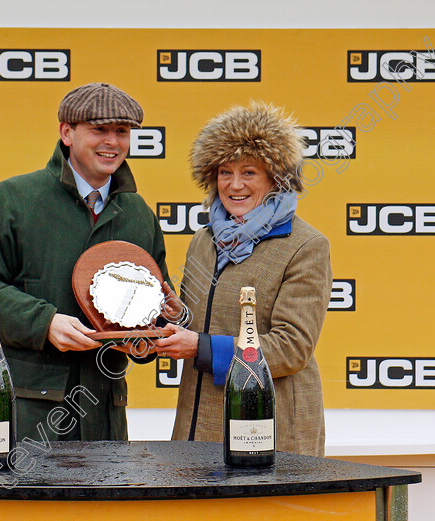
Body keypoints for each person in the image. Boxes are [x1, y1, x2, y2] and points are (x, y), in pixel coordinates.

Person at [0, 82, 173, 442]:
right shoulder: (15, 199)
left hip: (104, 414)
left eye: (122, 131)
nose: (112, 142)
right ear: (66, 132)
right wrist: (45, 322)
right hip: (27, 414)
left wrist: (151, 334)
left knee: (100, 501)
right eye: (99, 130)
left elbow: (157, 304)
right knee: (26, 501)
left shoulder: (139, 214)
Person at [154, 100, 333, 456]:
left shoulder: (306, 245)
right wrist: (178, 316)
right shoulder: (204, 241)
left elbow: (292, 347)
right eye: (224, 172)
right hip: (197, 425)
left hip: (270, 430)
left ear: (276, 178)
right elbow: (203, 321)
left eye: (249, 172)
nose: (234, 185)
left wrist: (201, 347)